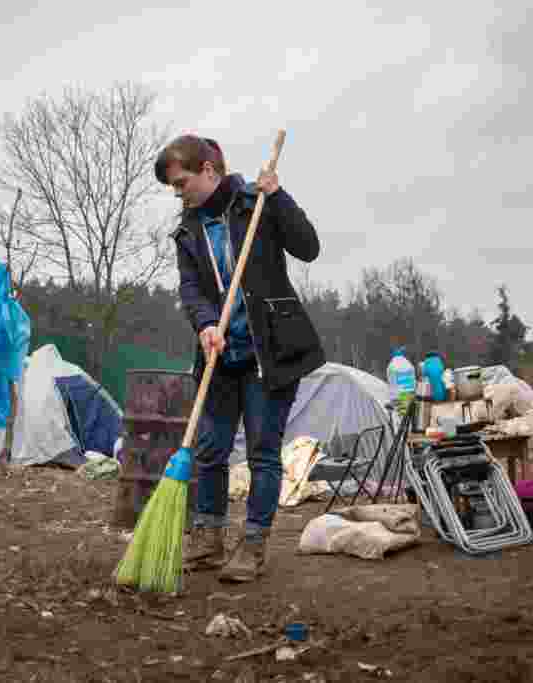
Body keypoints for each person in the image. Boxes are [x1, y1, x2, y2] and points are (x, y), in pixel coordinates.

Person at [155, 134, 325, 583]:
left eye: (182, 181)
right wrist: (207, 324)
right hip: (221, 353)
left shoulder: (256, 203)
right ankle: (208, 538)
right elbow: (190, 288)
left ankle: (252, 544)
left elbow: (308, 247)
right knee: (209, 450)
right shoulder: (187, 230)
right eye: (173, 186)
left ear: (209, 170)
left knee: (262, 454)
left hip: (269, 352)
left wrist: (278, 196)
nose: (178, 192)